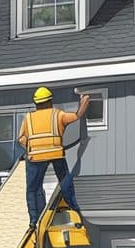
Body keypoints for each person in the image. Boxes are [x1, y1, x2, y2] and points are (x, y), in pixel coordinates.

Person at [18, 86, 89, 230]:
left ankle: (34, 220)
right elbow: (77, 115)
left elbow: (21, 139)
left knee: (33, 188)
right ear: (50, 101)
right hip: (56, 154)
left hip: (36, 156)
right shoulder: (58, 115)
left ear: (36, 104)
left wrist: (30, 149)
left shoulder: (28, 118)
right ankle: (74, 210)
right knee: (64, 180)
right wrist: (85, 101)